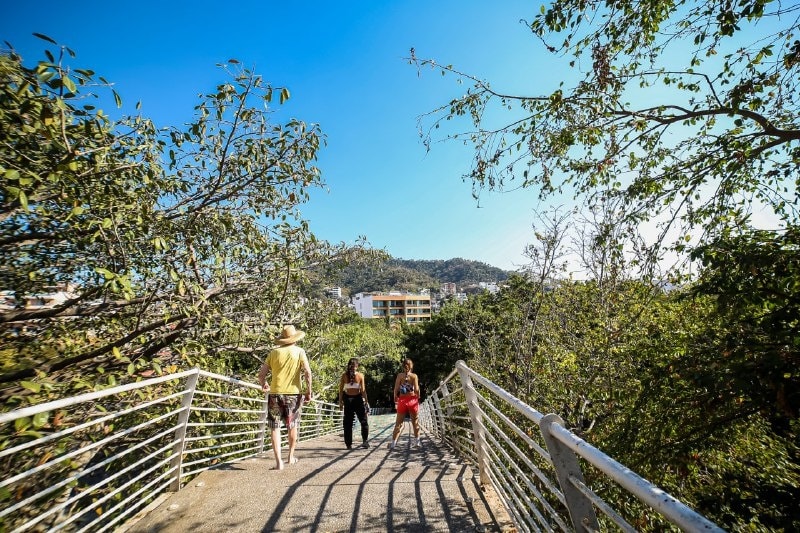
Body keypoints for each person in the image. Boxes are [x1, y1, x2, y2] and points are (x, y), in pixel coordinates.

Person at [258, 325, 313, 470]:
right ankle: (290, 457)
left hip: (275, 394)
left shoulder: (274, 352)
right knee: (292, 426)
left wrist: (264, 384)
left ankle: (278, 462)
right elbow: (307, 373)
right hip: (294, 395)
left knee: (274, 427)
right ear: (295, 338)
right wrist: (309, 391)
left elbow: (261, 374)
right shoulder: (300, 352)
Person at [389, 358, 421, 449]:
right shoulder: (414, 376)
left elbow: (396, 389)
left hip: (402, 400)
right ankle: (418, 442)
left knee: (398, 423)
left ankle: (393, 443)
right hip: (412, 400)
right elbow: (417, 389)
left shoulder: (399, 376)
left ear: (403, 366)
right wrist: (418, 397)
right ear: (412, 366)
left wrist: (395, 397)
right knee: (415, 422)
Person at [338, 358, 370, 449]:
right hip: (348, 400)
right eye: (352, 366)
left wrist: (366, 402)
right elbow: (341, 390)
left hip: (357, 399)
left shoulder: (360, 376)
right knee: (348, 422)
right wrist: (340, 402)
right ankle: (349, 444)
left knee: (363, 421)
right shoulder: (344, 376)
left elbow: (363, 390)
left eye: (354, 366)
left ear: (357, 367)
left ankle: (364, 441)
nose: (353, 368)